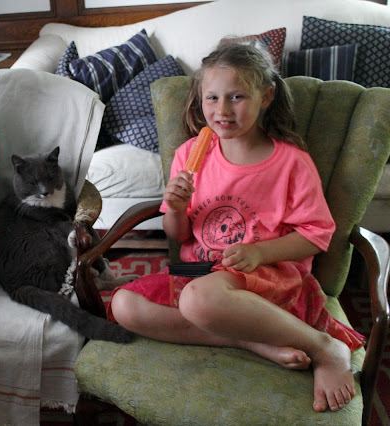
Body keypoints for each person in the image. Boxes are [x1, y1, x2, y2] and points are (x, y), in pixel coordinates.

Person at [108, 41, 365, 413]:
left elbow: (317, 234)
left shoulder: (291, 162)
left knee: (199, 300)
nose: (222, 110)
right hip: (200, 273)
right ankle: (249, 341)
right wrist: (176, 208)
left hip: (266, 275)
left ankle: (323, 346)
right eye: (211, 98)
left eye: (237, 97)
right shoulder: (189, 154)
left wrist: (260, 251)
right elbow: (178, 234)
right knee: (124, 305)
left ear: (266, 97)